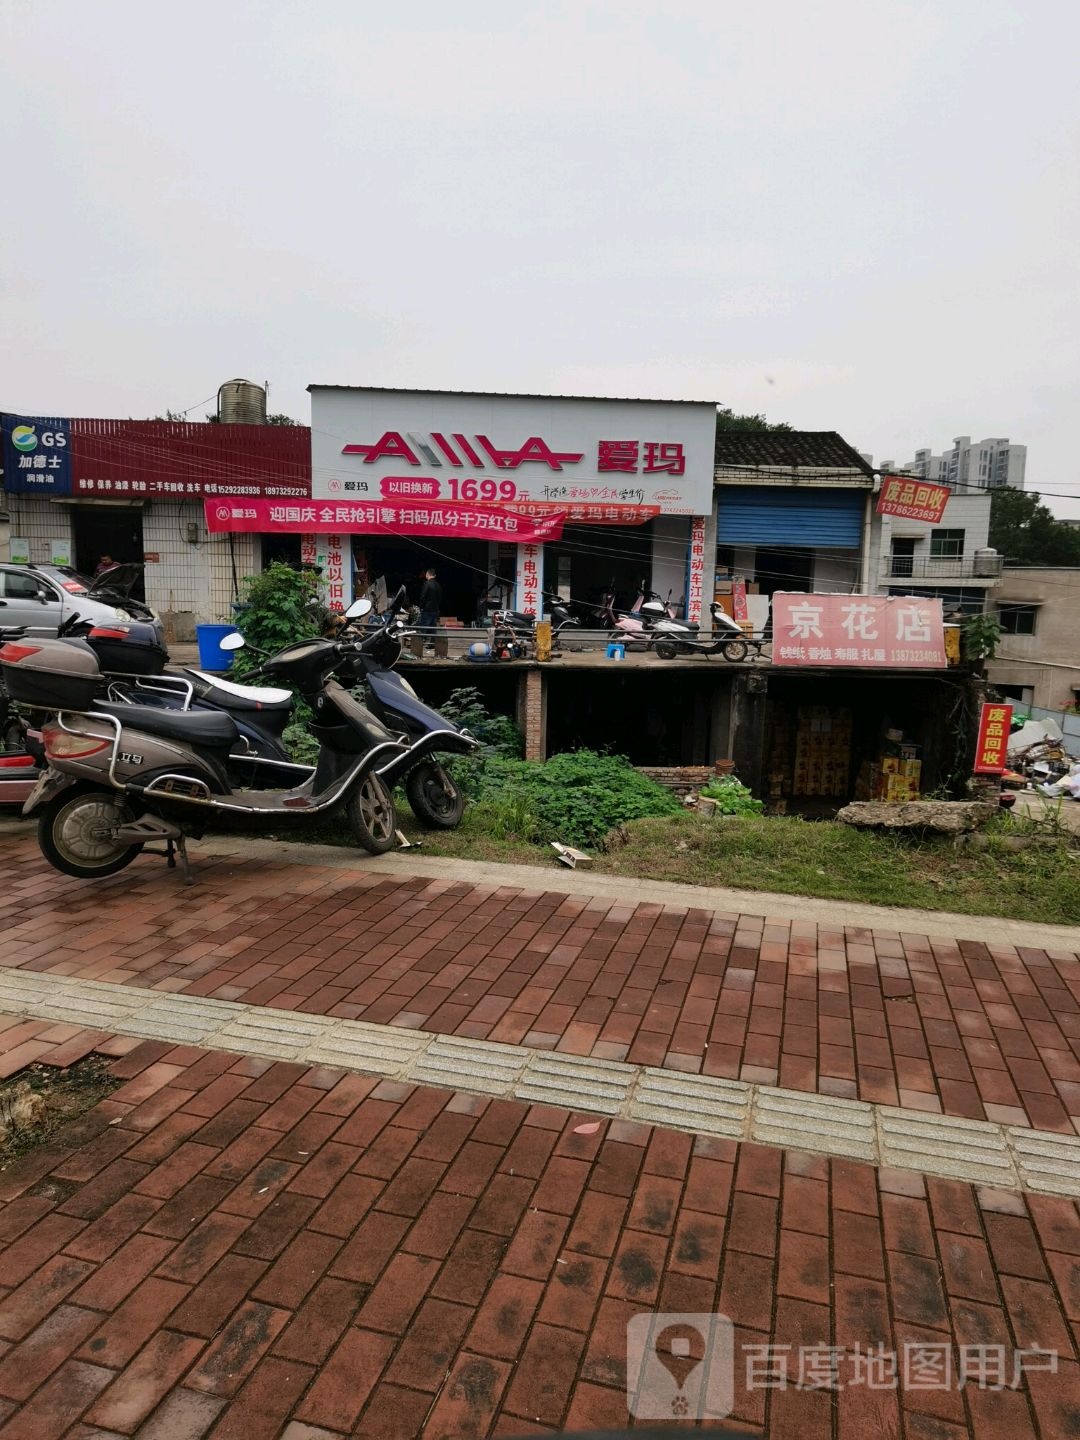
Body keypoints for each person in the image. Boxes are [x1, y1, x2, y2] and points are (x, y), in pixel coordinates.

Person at [418, 568, 442, 647]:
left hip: (427, 609)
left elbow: (423, 596)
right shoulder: (438, 585)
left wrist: (421, 607)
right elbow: (439, 598)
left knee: (423, 627)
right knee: (433, 628)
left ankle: (420, 644)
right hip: (435, 609)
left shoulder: (427, 584)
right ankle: (432, 645)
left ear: (427, 574)